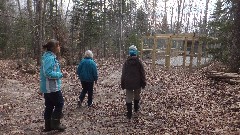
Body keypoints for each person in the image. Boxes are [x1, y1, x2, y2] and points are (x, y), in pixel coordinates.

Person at [39, 39, 66, 132]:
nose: (59, 47)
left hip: (48, 88)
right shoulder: (49, 58)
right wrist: (60, 74)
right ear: (53, 48)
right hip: (51, 87)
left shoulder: (49, 57)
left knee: (49, 106)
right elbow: (48, 73)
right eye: (58, 46)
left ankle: (48, 126)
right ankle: (55, 123)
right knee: (60, 103)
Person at [121, 45, 146, 119]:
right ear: (136, 53)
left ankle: (129, 113)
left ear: (129, 53)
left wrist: (123, 83)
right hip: (137, 82)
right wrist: (143, 82)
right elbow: (142, 73)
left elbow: (123, 74)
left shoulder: (126, 63)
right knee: (137, 95)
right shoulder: (139, 62)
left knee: (128, 97)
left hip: (128, 83)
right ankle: (136, 108)